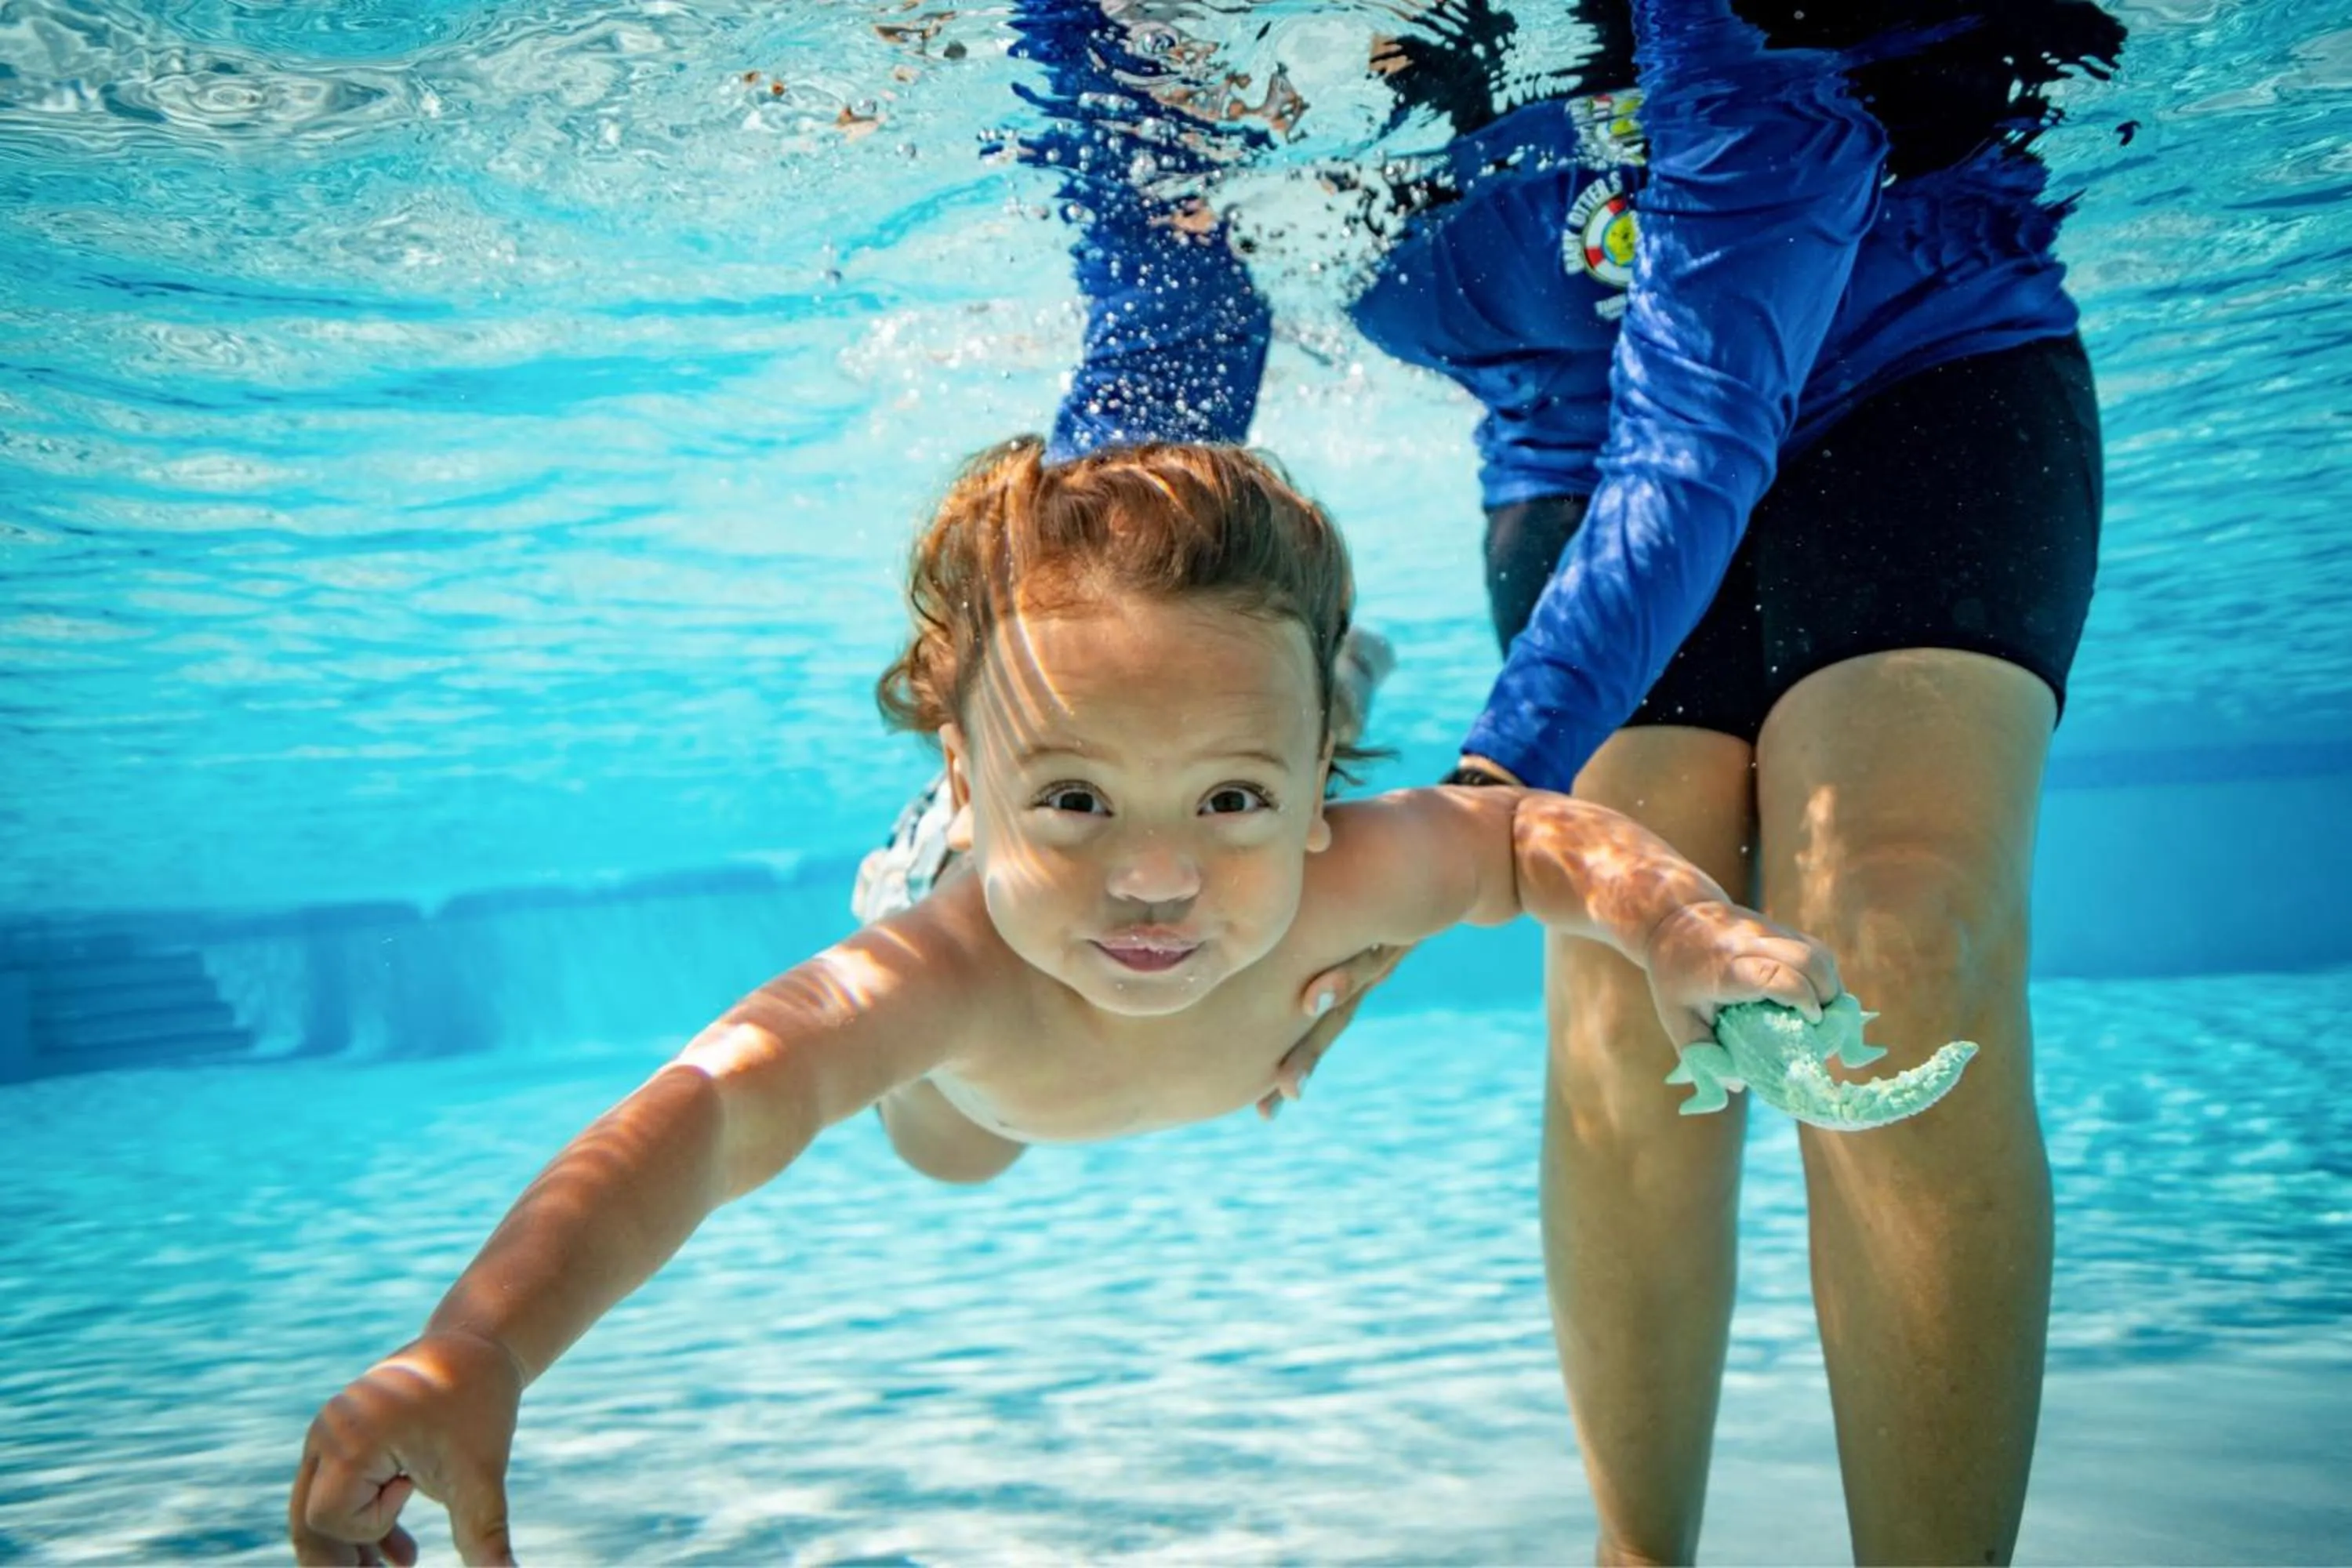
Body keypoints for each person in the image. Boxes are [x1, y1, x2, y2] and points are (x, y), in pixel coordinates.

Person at [286, 437, 1843, 1566]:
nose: (1156, 882)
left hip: (1197, 912)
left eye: (1232, 796)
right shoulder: (942, 976)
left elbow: (1528, 836)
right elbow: (713, 1110)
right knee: (958, 1142)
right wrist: (476, 1346)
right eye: (1078, 802)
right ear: (969, 786)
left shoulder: (1359, 870)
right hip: (980, 1095)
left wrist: (1684, 928)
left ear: (1319, 790)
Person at [996, 0, 2122, 1559]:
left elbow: (1698, 433)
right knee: (1620, 981)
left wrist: (1479, 800)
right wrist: (1018, 709)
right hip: (1569, 458)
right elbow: (1173, 331)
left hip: (1912, 362)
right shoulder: (1106, 25)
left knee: (1894, 940)